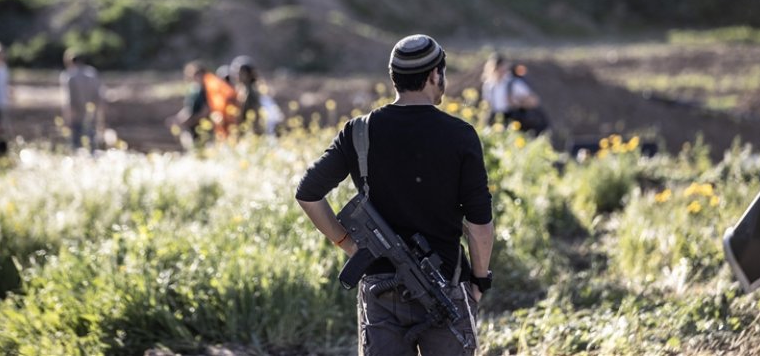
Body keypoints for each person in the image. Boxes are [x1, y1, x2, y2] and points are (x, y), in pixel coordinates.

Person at [296, 34, 494, 355]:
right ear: (434, 75)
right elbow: (479, 223)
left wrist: (348, 245)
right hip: (446, 284)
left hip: (380, 289)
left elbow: (308, 194)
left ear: (394, 79)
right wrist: (480, 281)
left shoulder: (359, 131)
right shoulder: (460, 135)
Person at [480, 54, 548, 135]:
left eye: (503, 68)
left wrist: (517, 103)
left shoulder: (513, 83)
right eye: (499, 68)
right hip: (496, 118)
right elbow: (488, 105)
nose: (502, 70)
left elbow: (534, 101)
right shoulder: (488, 86)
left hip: (512, 117)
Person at [60, 49, 105, 151]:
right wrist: (100, 116)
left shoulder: (69, 76)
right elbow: (99, 96)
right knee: (92, 145)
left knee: (75, 146)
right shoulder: (92, 73)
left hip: (76, 115)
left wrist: (67, 119)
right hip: (91, 115)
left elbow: (68, 100)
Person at [167, 61, 213, 149]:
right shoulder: (194, 89)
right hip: (192, 126)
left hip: (202, 126)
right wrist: (178, 119)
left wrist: (191, 120)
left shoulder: (207, 91)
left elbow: (206, 110)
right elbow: (188, 108)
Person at [230, 55, 263, 134]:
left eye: (241, 72)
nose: (238, 75)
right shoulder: (241, 89)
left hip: (250, 132)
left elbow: (254, 115)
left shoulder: (251, 91)